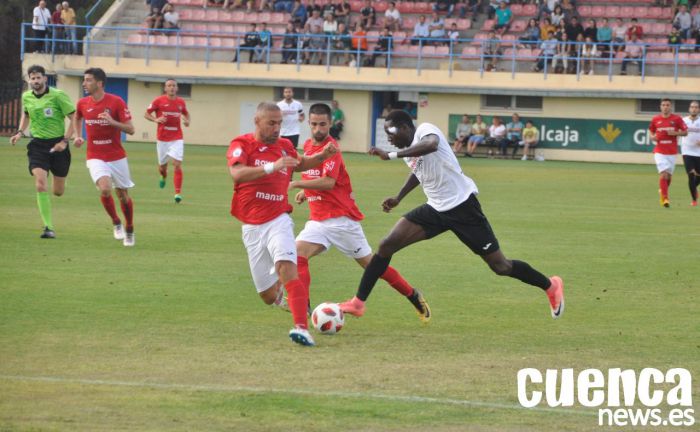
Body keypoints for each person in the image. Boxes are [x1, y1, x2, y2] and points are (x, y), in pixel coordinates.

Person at [338, 110, 565, 321]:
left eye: (391, 133)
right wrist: (399, 197)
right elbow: (419, 172)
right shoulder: (410, 152)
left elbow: (431, 145)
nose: (388, 138)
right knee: (387, 245)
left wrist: (391, 154)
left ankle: (550, 286)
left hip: (463, 207)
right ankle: (358, 303)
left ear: (405, 128)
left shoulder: (426, 131)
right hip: (435, 209)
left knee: (500, 266)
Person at [290, 103, 430, 327]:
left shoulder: (331, 147)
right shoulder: (307, 145)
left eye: (323, 124)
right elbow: (316, 175)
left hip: (342, 222)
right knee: (296, 256)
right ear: (308, 123)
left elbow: (328, 182)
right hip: (317, 221)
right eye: (314, 124)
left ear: (330, 124)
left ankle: (413, 295)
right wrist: (306, 193)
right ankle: (304, 308)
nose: (318, 129)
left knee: (374, 267)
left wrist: (298, 183)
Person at [227, 102, 337, 346]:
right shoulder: (242, 144)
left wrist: (322, 156)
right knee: (267, 296)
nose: (278, 128)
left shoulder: (285, 146)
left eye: (280, 123)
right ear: (257, 121)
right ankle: (279, 294)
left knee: (288, 268)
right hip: (252, 227)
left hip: (279, 219)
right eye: (272, 123)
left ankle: (301, 328)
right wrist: (271, 167)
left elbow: (301, 163)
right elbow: (237, 173)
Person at [9, 65, 76, 239]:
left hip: (59, 145)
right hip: (38, 145)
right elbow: (26, 115)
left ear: (45, 79)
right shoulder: (26, 97)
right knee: (40, 183)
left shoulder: (58, 95)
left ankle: (57, 178)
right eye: (32, 78)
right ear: (29, 80)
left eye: (39, 78)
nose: (36, 81)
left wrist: (65, 141)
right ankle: (48, 227)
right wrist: (19, 132)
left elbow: (74, 117)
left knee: (58, 192)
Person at [73, 68, 137, 246]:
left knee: (123, 195)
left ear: (99, 83)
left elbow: (131, 129)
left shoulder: (116, 102)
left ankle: (130, 228)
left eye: (88, 80)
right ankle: (116, 222)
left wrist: (112, 122)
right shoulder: (82, 103)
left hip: (116, 156)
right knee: (105, 189)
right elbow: (77, 117)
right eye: (84, 80)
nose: (84, 83)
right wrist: (78, 135)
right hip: (95, 156)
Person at [144, 78, 190, 203]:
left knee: (177, 164)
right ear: (165, 88)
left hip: (177, 138)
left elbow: (186, 114)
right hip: (162, 139)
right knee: (162, 168)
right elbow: (146, 114)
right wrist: (155, 120)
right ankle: (163, 176)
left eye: (174, 85)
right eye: (169, 85)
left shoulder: (181, 102)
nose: (171, 88)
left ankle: (177, 193)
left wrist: (187, 121)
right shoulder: (158, 101)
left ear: (177, 88)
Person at [649, 98, 688, 208]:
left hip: (671, 152)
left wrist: (674, 133)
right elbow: (651, 130)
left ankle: (662, 190)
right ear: (660, 107)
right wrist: (652, 137)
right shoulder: (655, 119)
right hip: (659, 151)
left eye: (667, 105)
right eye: (663, 105)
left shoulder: (677, 119)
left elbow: (685, 132)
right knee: (664, 174)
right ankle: (665, 199)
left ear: (670, 107)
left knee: (668, 177)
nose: (665, 107)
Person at [681, 101, 700, 206]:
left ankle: (694, 189)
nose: (694, 109)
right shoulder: (683, 121)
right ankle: (694, 200)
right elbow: (678, 131)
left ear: (699, 109)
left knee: (698, 176)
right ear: (689, 109)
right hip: (687, 152)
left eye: (696, 107)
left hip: (699, 153)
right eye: (692, 107)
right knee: (691, 175)